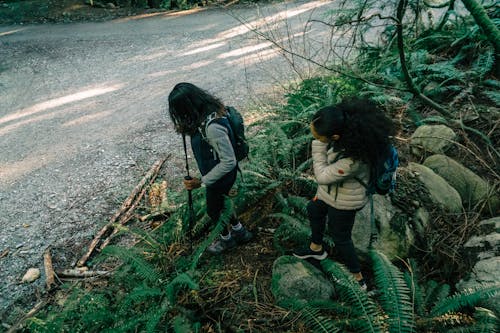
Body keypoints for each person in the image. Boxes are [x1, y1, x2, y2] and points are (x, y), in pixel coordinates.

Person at [292, 98, 395, 289]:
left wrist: (318, 147)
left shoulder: (354, 159)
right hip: (331, 193)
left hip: (345, 202)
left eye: (318, 136)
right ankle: (316, 249)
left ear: (335, 137)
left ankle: (358, 279)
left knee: (341, 238)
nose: (314, 137)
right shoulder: (343, 130)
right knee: (314, 209)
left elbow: (322, 175)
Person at [167, 82, 253, 254]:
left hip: (221, 176)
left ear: (189, 107)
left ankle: (226, 240)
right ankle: (240, 231)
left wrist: (202, 181)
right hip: (219, 174)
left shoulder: (213, 127)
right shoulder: (210, 111)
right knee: (223, 204)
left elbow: (229, 161)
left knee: (213, 210)